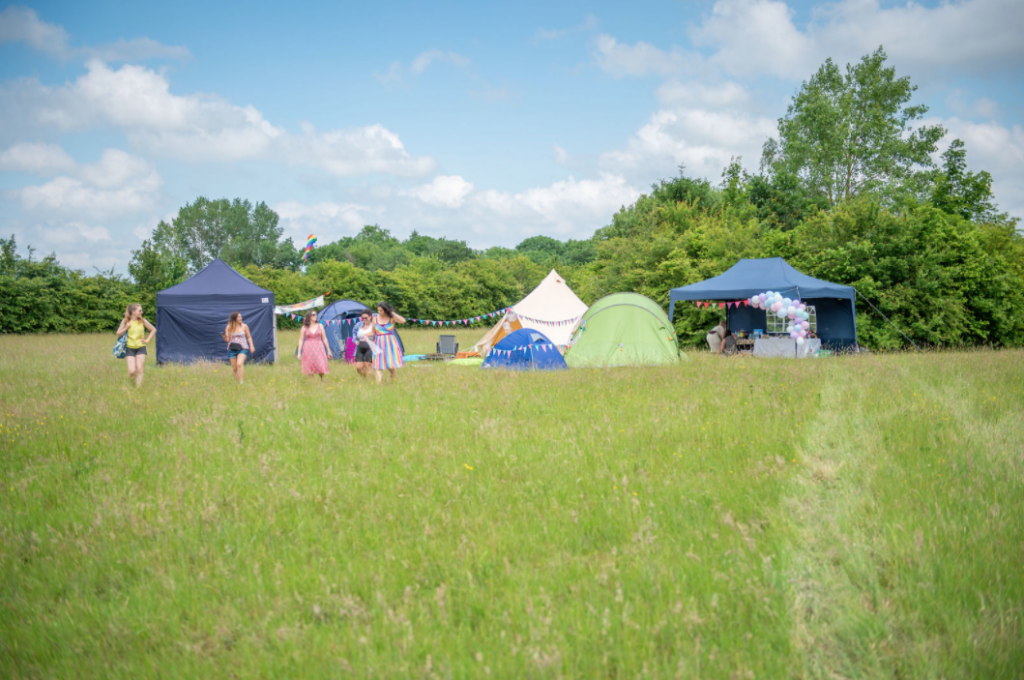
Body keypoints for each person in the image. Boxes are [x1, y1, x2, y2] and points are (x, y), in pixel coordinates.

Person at [116, 304, 155, 387]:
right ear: (133, 312)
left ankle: (138, 388)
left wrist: (147, 340)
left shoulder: (142, 321)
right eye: (140, 311)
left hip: (140, 348)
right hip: (129, 348)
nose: (142, 312)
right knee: (132, 371)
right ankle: (131, 383)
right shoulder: (125, 321)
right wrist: (126, 328)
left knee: (139, 369)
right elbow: (118, 334)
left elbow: (153, 329)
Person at [372, 302, 405, 383]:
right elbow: (373, 332)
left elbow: (403, 321)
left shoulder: (392, 318)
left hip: (390, 343)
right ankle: (378, 385)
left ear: (386, 310)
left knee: (391, 364)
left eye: (381, 310)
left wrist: (392, 313)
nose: (379, 312)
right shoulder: (375, 318)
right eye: (378, 310)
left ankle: (393, 381)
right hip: (378, 342)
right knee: (378, 365)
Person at [221, 311, 255, 384]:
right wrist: (224, 337)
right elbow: (227, 340)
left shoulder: (244, 326)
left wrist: (251, 346)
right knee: (234, 368)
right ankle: (237, 382)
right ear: (234, 318)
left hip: (243, 347)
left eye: (240, 316)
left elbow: (249, 337)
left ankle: (241, 382)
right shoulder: (229, 327)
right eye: (239, 317)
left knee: (239, 364)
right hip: (232, 348)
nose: (241, 318)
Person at [297, 310, 331, 380]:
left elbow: (324, 339)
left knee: (321, 365)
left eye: (316, 314)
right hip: (308, 347)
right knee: (309, 365)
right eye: (313, 314)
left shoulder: (320, 326)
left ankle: (321, 379)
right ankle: (312, 382)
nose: (315, 316)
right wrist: (299, 353)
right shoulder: (304, 327)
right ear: (309, 316)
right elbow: (300, 340)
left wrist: (328, 350)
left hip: (319, 347)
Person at [353, 310, 375, 379]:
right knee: (358, 367)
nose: (364, 319)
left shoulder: (374, 325)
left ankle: (369, 381)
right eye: (363, 318)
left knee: (367, 365)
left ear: (370, 317)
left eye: (366, 318)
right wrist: (356, 341)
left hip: (370, 347)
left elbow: (377, 335)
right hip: (360, 346)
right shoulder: (358, 325)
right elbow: (354, 334)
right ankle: (364, 377)